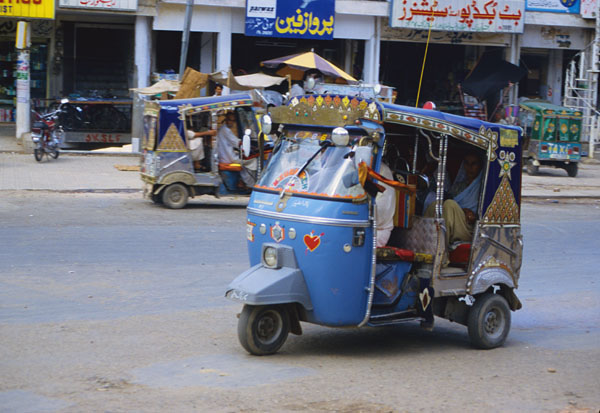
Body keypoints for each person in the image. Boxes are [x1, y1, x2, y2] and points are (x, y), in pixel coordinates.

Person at [424, 151, 483, 245]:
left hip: (470, 228)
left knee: (449, 205)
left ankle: (442, 248)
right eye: (467, 163)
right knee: (435, 205)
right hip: (454, 221)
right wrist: (462, 210)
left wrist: (473, 215)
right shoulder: (459, 186)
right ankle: (426, 243)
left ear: (480, 166)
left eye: (473, 164)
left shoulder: (483, 188)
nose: (470, 167)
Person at [217, 112, 257, 187]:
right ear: (226, 120)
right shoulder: (225, 130)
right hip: (228, 158)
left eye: (233, 120)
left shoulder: (223, 129)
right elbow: (237, 143)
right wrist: (251, 147)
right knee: (254, 160)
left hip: (226, 156)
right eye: (229, 120)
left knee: (246, 161)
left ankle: (243, 181)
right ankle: (249, 184)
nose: (231, 122)